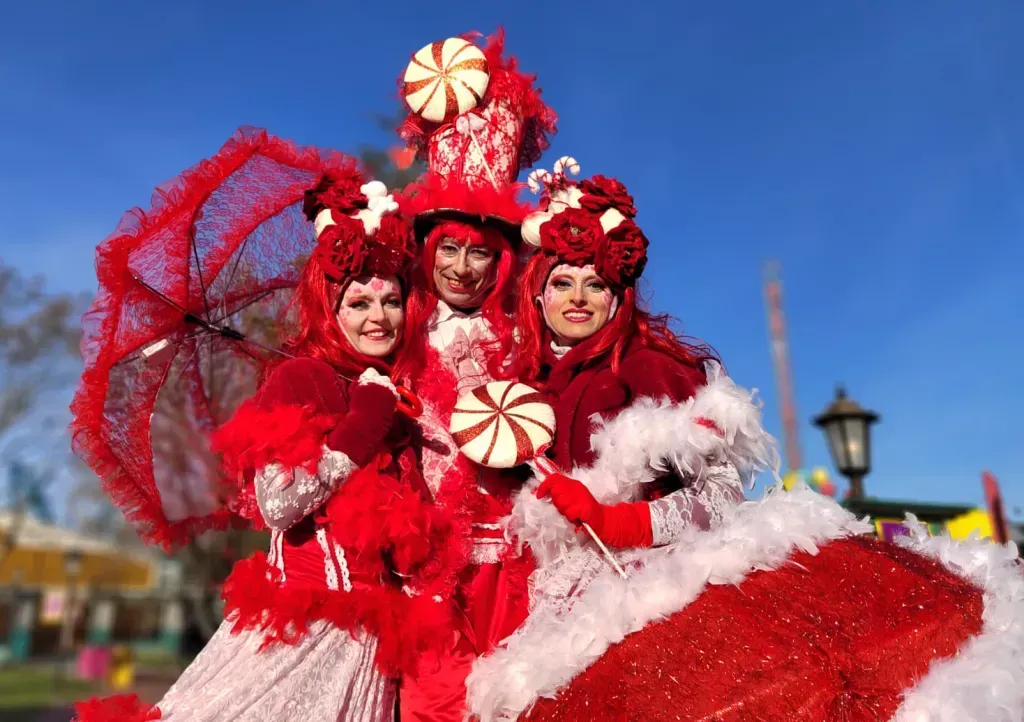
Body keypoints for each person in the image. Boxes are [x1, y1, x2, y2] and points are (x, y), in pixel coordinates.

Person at [466, 164, 1024, 722]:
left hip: (663, 595)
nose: (579, 298)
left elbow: (719, 494)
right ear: (537, 296)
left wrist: (615, 520)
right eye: (563, 283)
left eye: (596, 285)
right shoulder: (529, 392)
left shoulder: (650, 368)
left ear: (618, 299)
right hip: (564, 616)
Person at [74, 164, 447, 722]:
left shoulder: (393, 397)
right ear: (330, 310)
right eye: (359, 304)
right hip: (303, 632)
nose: (379, 318)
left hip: (370, 649)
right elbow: (279, 505)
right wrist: (363, 424)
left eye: (391, 302)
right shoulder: (302, 378)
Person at [391, 29, 557, 721]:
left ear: (502, 261)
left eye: (479, 253)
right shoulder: (394, 335)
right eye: (449, 249)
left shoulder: (528, 338)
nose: (462, 268)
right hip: (423, 565)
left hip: (517, 565)